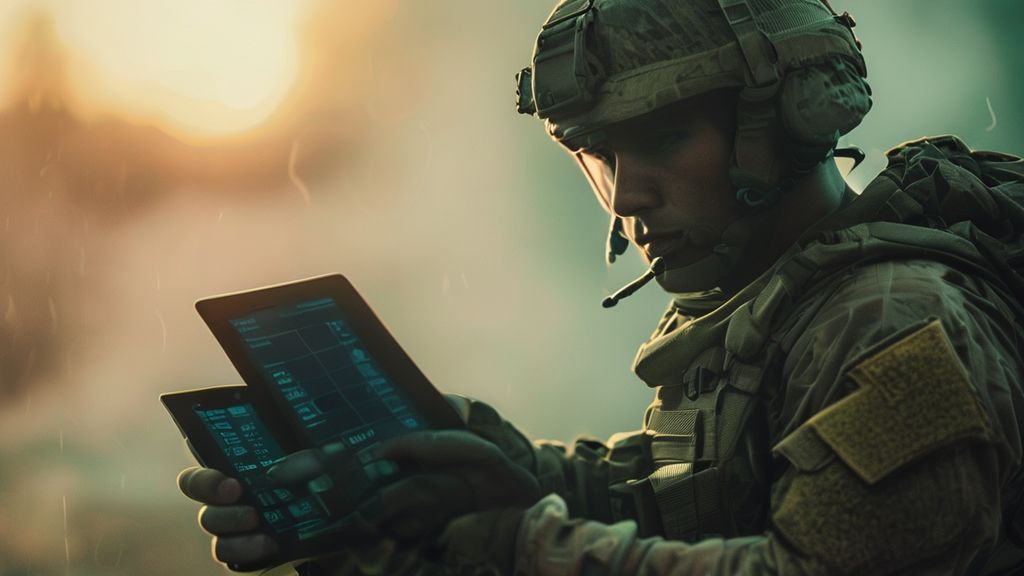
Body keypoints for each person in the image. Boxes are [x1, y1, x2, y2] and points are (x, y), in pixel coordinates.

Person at [177, 0, 1024, 574]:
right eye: (599, 153)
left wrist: (515, 545)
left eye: (662, 137)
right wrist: (481, 468)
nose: (625, 195)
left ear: (790, 115)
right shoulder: (779, 301)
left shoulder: (895, 324)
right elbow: (695, 500)